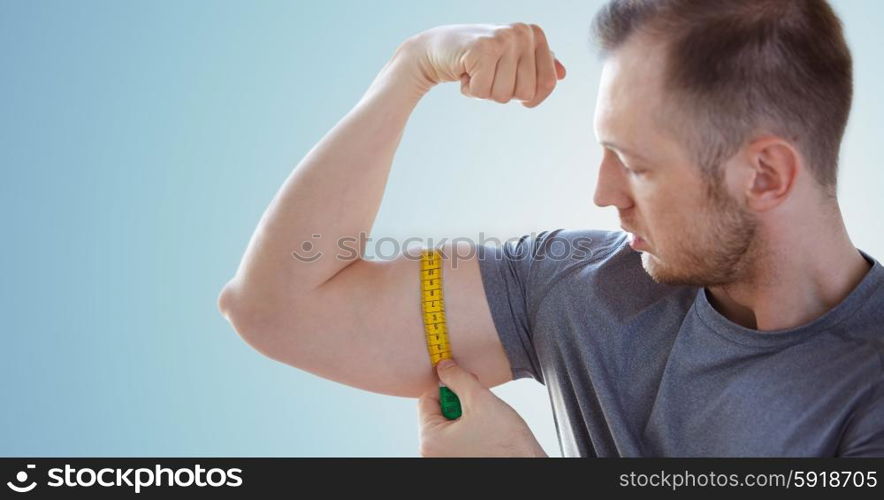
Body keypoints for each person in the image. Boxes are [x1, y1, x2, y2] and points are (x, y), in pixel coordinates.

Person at [218, 0, 884, 457]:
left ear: (765, 175)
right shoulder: (580, 288)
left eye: (635, 166)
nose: (602, 194)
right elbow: (277, 308)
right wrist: (414, 68)